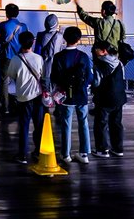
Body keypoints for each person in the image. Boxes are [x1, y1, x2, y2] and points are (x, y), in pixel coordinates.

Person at [51, 26, 93, 165]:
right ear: (79, 39)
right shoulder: (83, 56)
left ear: (64, 38)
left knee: (66, 124)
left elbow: (54, 77)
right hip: (81, 94)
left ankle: (66, 154)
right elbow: (89, 77)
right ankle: (84, 154)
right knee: (84, 123)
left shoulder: (59, 57)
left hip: (66, 95)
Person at [4, 31, 44, 164]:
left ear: (20, 43)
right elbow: (42, 74)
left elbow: (11, 75)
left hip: (23, 97)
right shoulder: (38, 58)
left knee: (24, 126)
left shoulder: (16, 59)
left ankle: (22, 155)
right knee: (39, 125)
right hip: (38, 96)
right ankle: (38, 152)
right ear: (33, 42)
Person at [0, 3, 28, 118]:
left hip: (6, 57)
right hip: (20, 58)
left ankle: (5, 108)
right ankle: (22, 106)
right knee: (20, 82)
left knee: (4, 83)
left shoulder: (3, 25)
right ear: (18, 13)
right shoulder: (23, 26)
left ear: (6, 13)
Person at [90, 40, 126, 158]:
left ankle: (102, 149)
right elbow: (123, 78)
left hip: (104, 97)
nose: (95, 53)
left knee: (101, 123)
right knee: (116, 123)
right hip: (119, 97)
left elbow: (96, 82)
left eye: (96, 50)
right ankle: (118, 148)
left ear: (103, 51)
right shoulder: (119, 63)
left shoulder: (99, 64)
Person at [35, 13, 63, 90]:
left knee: (45, 93)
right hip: (57, 68)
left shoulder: (40, 35)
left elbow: (37, 52)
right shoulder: (60, 36)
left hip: (44, 68)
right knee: (56, 91)